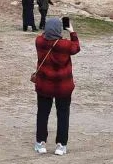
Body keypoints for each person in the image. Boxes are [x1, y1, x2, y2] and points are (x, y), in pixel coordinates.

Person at [33, 17, 80, 156]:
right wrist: (72, 32)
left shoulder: (39, 41)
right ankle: (61, 145)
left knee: (42, 113)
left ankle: (41, 143)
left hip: (44, 85)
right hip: (63, 86)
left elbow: (43, 36)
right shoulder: (65, 45)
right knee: (63, 114)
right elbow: (76, 47)